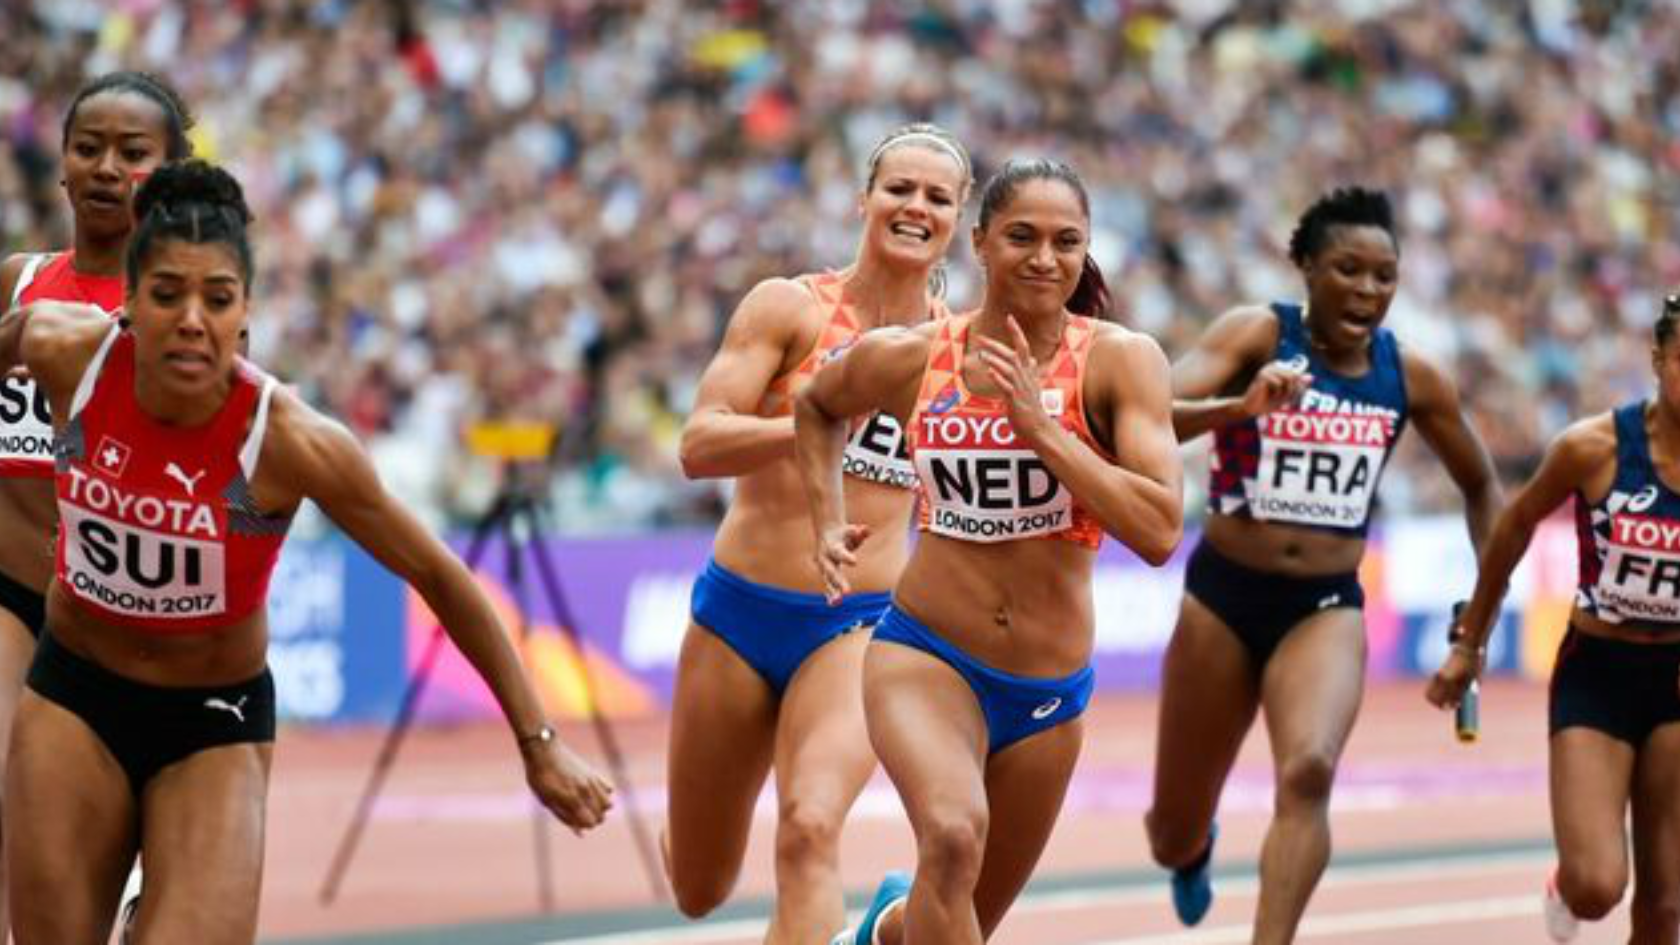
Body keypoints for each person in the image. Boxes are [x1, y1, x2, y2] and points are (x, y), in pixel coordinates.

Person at [0, 159, 613, 944]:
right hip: (72, 696)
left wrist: (541, 743)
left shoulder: (290, 441)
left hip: (209, 722)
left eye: (217, 299)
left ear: (245, 315)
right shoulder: (62, 350)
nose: (192, 318)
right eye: (167, 294)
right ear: (126, 303)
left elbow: (437, 571)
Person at [797, 158, 1183, 945]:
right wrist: (825, 516)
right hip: (925, 655)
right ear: (979, 242)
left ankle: (875, 932)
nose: (1045, 258)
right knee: (952, 836)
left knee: (952, 913)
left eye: (1066, 241)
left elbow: (1158, 528)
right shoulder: (914, 355)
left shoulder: (1119, 360)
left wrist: (1042, 430)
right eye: (1022, 237)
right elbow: (816, 403)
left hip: (1046, 690)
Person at [1147, 186, 1501, 942]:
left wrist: (1482, 608)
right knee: (1169, 828)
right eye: (1347, 269)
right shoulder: (1254, 336)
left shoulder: (1412, 377)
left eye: (1384, 276)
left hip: (1325, 606)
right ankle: (1192, 847)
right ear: (1305, 266)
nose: (1368, 291)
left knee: (1308, 769)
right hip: (1221, 599)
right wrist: (1239, 407)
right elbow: (1146, 413)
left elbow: (1481, 487)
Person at [665, 123, 971, 943]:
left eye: (937, 197)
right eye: (899, 188)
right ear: (863, 200)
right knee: (697, 883)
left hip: (858, 623)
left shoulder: (955, 354)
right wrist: (816, 418)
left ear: (958, 222)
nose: (915, 206)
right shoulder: (789, 306)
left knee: (808, 828)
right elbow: (699, 443)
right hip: (737, 614)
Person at [0, 70, 195, 937]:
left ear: (172, 174)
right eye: (89, 148)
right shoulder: (15, 284)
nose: (108, 167)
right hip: (11, 597)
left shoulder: (186, 316)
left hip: (132, 625)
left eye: (133, 153)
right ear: (64, 170)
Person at [1428, 292, 1680, 944]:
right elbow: (1512, 528)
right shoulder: (1592, 447)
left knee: (1667, 902)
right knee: (1598, 884)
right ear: (1657, 359)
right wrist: (1469, 641)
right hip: (1599, 669)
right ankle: (1563, 885)